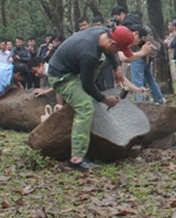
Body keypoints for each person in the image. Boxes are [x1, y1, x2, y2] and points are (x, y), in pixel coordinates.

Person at [48, 25, 138, 170]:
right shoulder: (89, 54)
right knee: (85, 107)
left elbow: (109, 52)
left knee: (104, 59)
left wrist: (117, 68)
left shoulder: (103, 32)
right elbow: (87, 85)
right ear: (112, 43)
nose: (117, 53)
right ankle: (76, 159)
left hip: (75, 67)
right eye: (118, 50)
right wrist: (104, 99)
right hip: (62, 77)